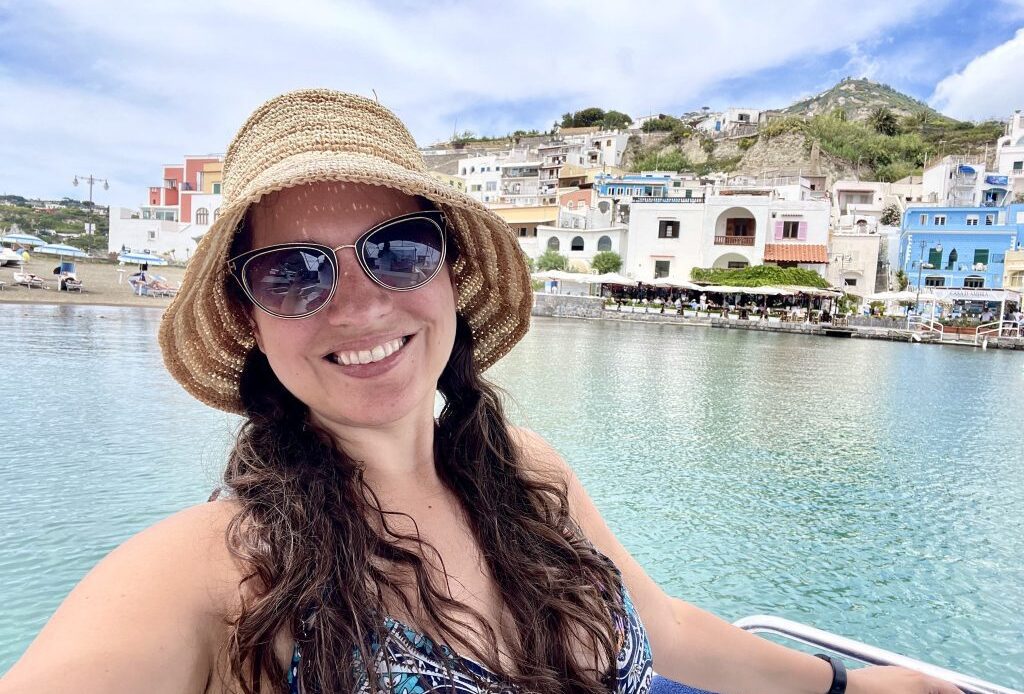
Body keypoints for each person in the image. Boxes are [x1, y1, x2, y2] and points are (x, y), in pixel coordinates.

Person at [2, 90, 961, 694]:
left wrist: (842, 686)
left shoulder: (527, 475)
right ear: (250, 316)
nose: (359, 305)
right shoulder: (212, 573)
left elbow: (665, 632)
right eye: (295, 272)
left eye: (398, 250)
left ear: (450, 274)